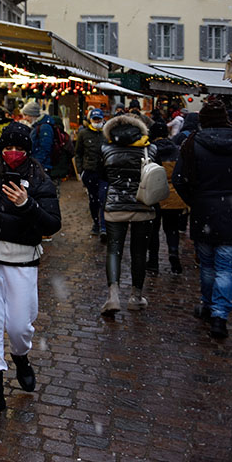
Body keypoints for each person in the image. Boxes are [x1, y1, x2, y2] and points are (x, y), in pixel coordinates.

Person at [0, 122, 61, 418]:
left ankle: (21, 356)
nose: (13, 153)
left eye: (20, 148)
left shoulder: (41, 180)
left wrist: (26, 205)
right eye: (8, 147)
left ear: (28, 150)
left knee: (20, 324)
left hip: (22, 261)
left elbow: (52, 224)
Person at [172, 102, 232, 339]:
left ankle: (208, 306)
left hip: (203, 211)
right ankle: (220, 316)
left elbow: (178, 179)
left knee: (207, 265)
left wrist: (194, 200)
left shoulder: (192, 143)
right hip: (231, 211)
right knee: (226, 268)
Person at [98, 113, 157, 315]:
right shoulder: (150, 148)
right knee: (139, 252)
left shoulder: (105, 148)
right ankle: (136, 296)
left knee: (114, 250)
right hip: (143, 205)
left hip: (115, 205)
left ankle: (112, 295)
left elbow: (102, 175)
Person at [147, 121, 185, 276]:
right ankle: (174, 254)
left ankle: (153, 262)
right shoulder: (176, 150)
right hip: (173, 197)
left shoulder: (150, 151)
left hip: (155, 195)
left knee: (153, 230)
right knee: (172, 228)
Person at [75, 108, 107, 237]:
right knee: (93, 200)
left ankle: (104, 226)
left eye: (99, 119)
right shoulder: (84, 134)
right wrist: (80, 171)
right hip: (90, 171)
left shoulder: (106, 133)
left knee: (103, 198)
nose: (97, 122)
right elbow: (78, 153)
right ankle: (96, 223)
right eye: (95, 119)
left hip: (104, 172)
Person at [22, 101, 55, 172]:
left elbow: (45, 148)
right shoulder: (38, 126)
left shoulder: (44, 127)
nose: (24, 118)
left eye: (26, 115)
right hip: (40, 165)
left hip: (43, 166)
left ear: (32, 115)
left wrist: (36, 163)